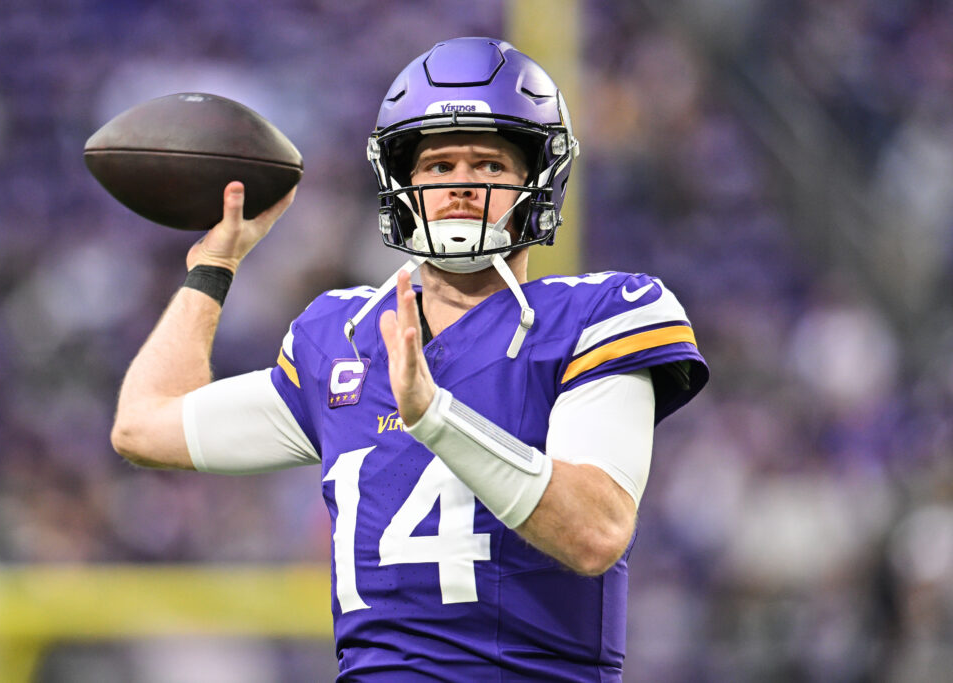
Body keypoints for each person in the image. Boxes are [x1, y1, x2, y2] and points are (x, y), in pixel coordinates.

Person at [111, 37, 708, 681]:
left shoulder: (597, 317)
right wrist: (213, 266)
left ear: (538, 179)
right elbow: (143, 426)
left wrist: (436, 417)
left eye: (488, 165)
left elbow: (595, 533)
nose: (461, 187)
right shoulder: (343, 334)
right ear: (402, 181)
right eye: (439, 165)